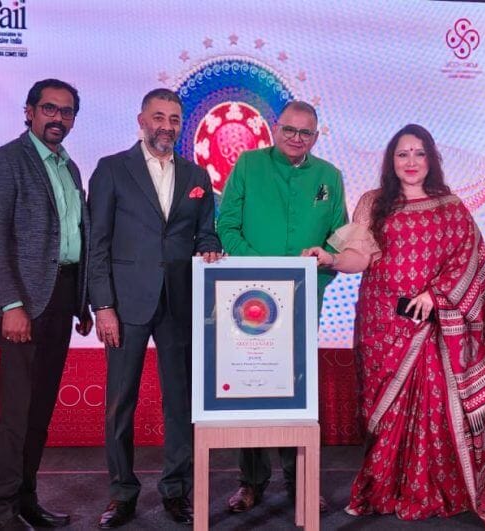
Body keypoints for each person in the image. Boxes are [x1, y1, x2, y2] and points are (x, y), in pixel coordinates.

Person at [303, 124, 485, 527]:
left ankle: (440, 489)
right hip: (383, 325)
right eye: (402, 154)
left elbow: (472, 259)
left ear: (431, 159)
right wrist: (330, 259)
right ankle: (384, 490)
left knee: (437, 406)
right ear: (391, 161)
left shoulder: (449, 206)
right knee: (386, 411)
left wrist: (436, 295)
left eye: (419, 153)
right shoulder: (373, 202)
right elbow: (360, 257)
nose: (411, 162)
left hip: (434, 327)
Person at [86, 88, 223, 528]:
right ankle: (122, 493)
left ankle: (176, 491)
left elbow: (207, 232)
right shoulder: (111, 169)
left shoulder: (197, 174)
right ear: (141, 120)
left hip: (180, 302)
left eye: (174, 119)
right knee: (120, 402)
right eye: (159, 117)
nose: (167, 126)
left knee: (180, 401)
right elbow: (97, 243)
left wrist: (210, 246)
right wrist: (103, 305)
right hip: (125, 303)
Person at [215, 100, 345, 513]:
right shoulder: (249, 165)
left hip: (303, 301)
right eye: (289, 129)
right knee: (251, 389)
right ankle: (251, 483)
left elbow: (338, 238)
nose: (296, 138)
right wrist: (261, 274)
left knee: (297, 393)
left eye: (305, 132)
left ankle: (301, 482)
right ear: (275, 128)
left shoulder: (329, 177)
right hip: (249, 302)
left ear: (316, 137)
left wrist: (320, 265)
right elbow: (226, 226)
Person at [0, 78, 93, 531]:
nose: (58, 118)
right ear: (29, 112)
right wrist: (11, 305)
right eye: (49, 109)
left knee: (40, 409)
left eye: (67, 112)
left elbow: (73, 237)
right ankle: (0, 512)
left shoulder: (70, 168)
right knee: (17, 412)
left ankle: (26, 500)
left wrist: (82, 301)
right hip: (21, 303)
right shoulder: (5, 161)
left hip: (61, 298)